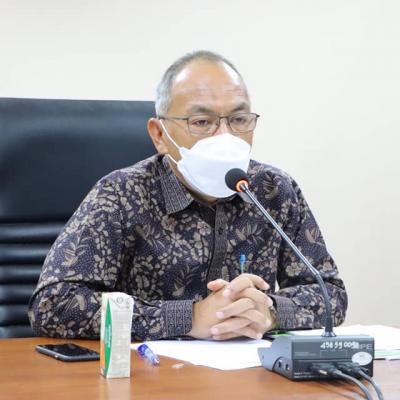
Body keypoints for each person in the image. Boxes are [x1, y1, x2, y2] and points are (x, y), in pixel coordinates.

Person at [28, 50, 347, 341]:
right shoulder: (121, 194)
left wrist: (269, 311)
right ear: (159, 135)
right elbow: (53, 305)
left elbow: (331, 294)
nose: (225, 136)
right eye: (202, 122)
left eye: (239, 120)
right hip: (148, 374)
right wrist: (189, 318)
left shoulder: (274, 190)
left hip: (249, 373)